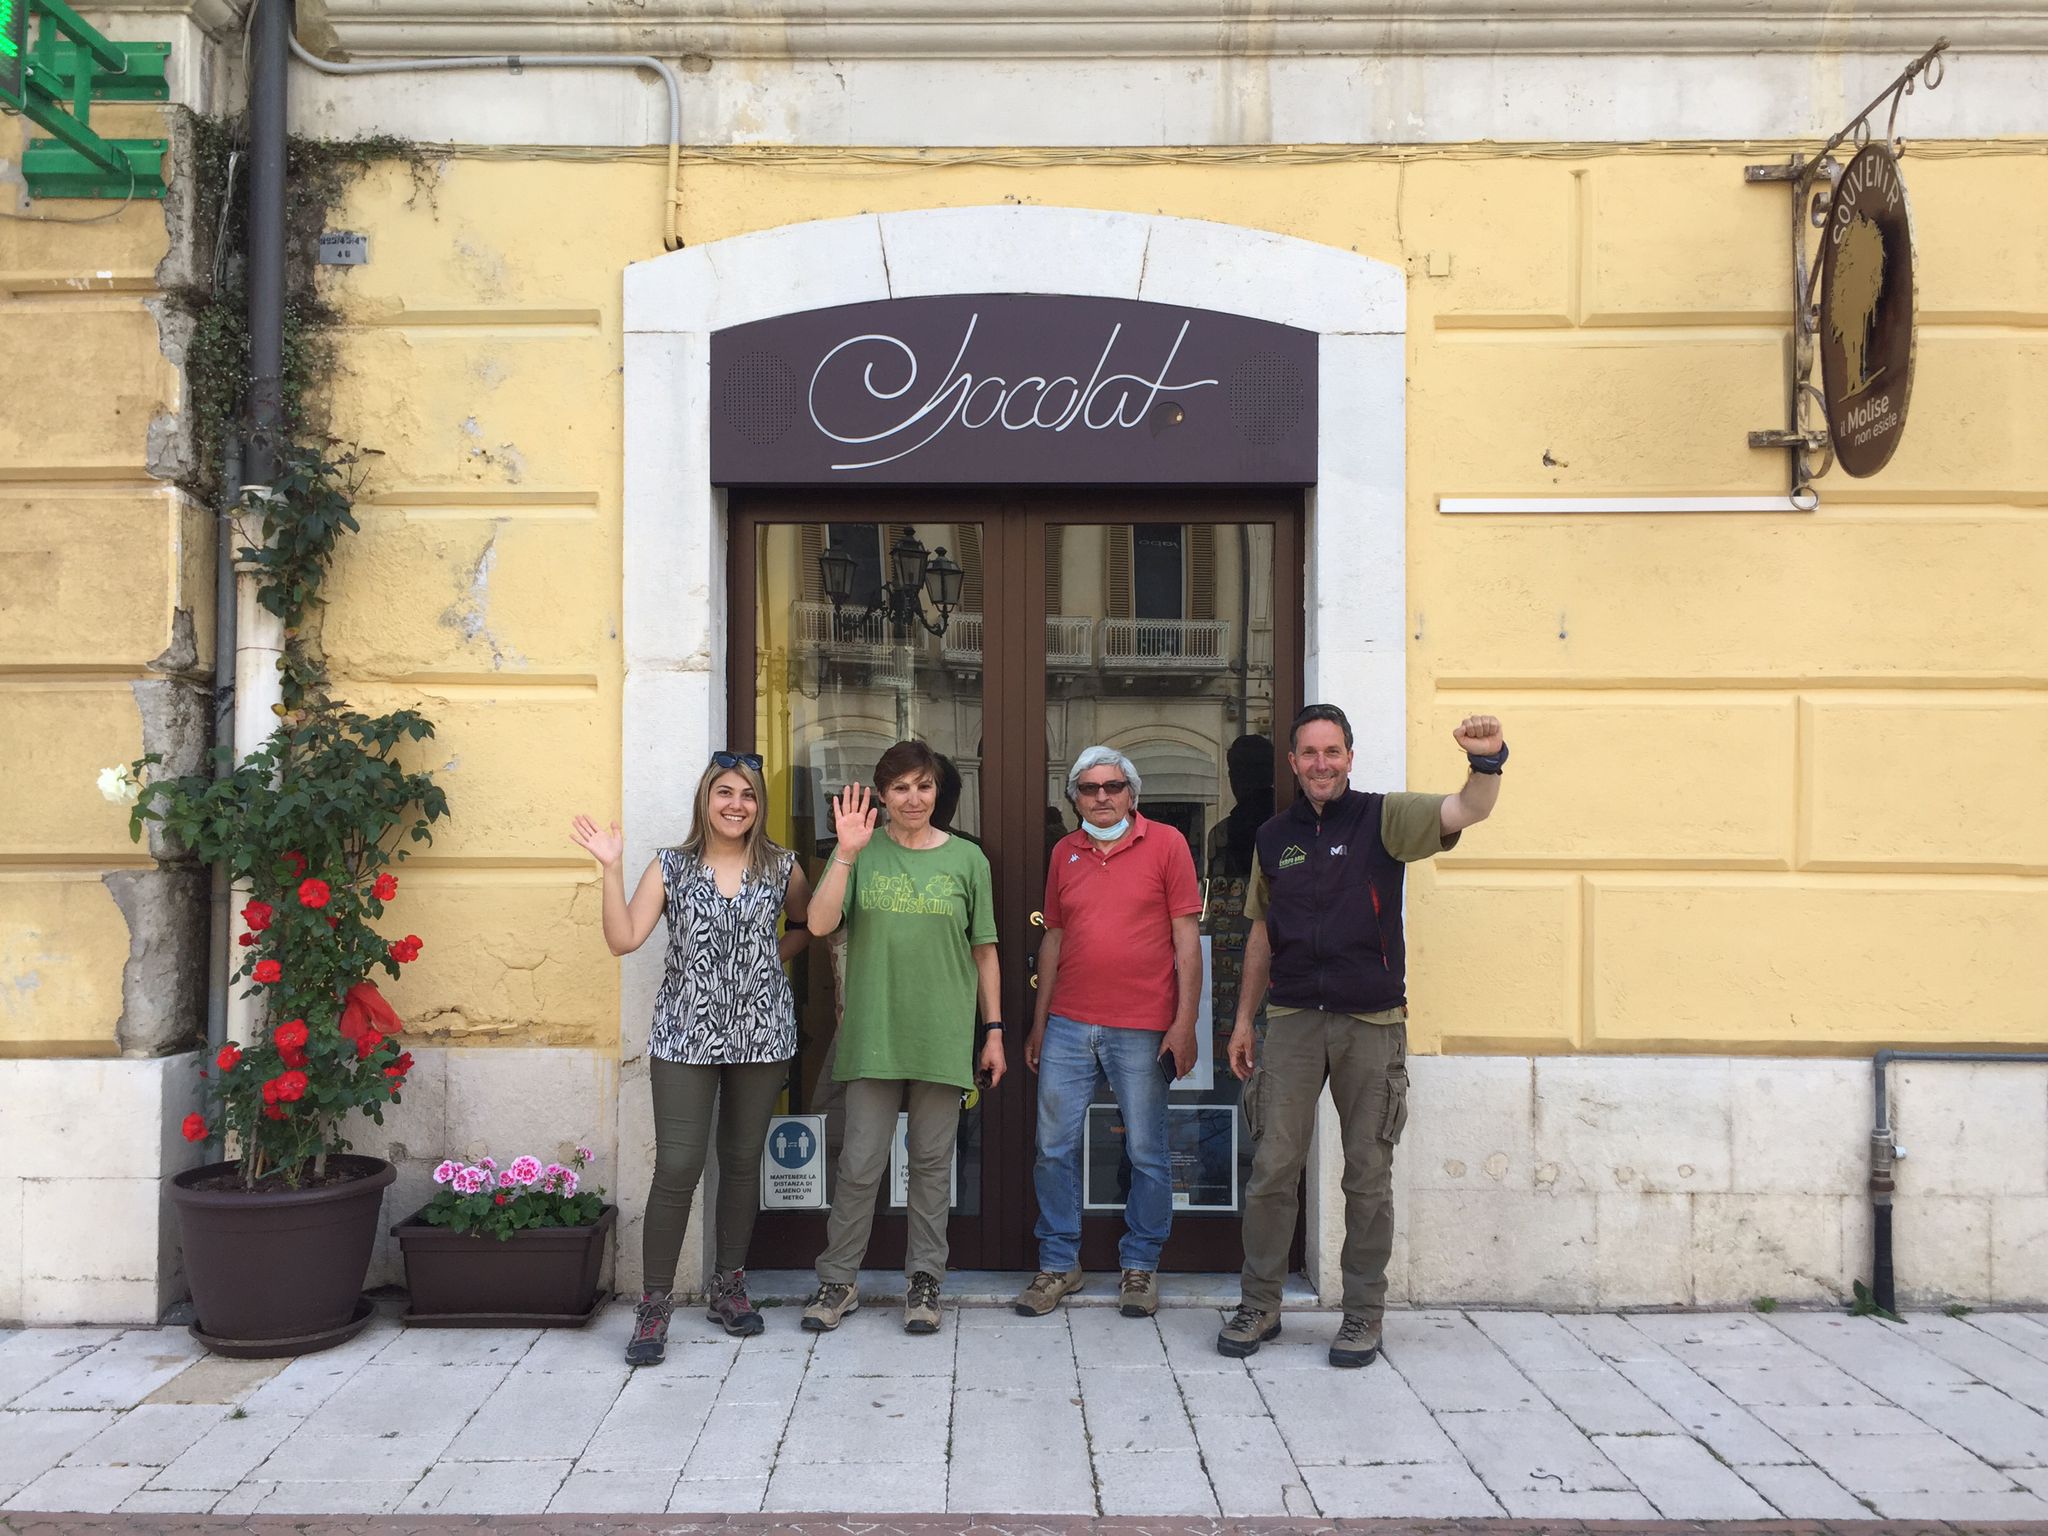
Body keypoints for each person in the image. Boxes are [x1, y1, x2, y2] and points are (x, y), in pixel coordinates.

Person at [1219, 705, 1507, 1367]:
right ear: (1293, 763)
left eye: (1332, 752)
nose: (1321, 764)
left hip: (1371, 1023)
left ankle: (1362, 1315)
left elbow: (1469, 809)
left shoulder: (1385, 818)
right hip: (1292, 1021)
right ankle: (1260, 1304)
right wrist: (1243, 1020)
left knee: (1368, 1178)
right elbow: (1261, 932)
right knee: (1272, 1171)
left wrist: (1486, 760)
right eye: (1309, 753)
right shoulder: (1273, 837)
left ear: (1349, 757)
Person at [571, 751, 812, 1366]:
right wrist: (611, 868)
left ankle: (728, 1285)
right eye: (724, 792)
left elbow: (811, 924)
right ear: (706, 799)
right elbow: (624, 938)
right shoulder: (671, 866)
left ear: (759, 805)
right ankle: (654, 1305)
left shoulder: (783, 866)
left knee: (741, 1161)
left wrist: (766, 959)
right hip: (685, 1035)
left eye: (748, 794)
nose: (736, 804)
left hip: (762, 1034)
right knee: (677, 1165)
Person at [800, 739, 1005, 1336]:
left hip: (942, 1034)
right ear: (882, 796)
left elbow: (985, 951)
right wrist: (845, 853)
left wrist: (993, 1031)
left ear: (938, 792)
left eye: (924, 786)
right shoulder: (861, 852)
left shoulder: (968, 859)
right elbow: (818, 923)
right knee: (859, 1164)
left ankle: (925, 1281)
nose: (914, 798)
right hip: (874, 1034)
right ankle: (839, 1281)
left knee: (932, 1165)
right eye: (900, 788)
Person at [1017, 747, 1203, 1320]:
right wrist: (1040, 1022)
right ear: (1074, 798)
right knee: (1053, 1148)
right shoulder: (1064, 852)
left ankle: (1140, 1265)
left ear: (1132, 794)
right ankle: (1058, 1263)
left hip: (1143, 1025)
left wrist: (1185, 1023)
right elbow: (1053, 938)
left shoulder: (1167, 844)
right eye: (1089, 788)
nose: (1102, 796)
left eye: (1113, 786)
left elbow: (1187, 941)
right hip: (1069, 1022)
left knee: (1146, 1150)